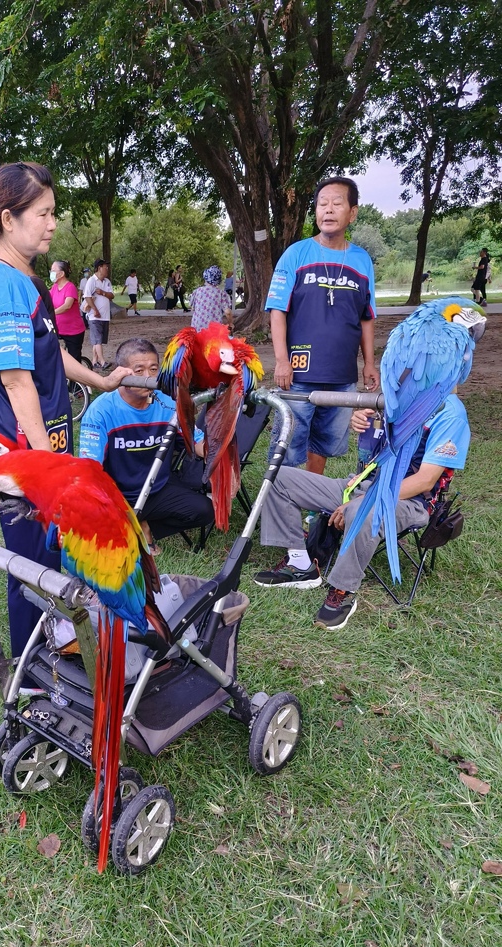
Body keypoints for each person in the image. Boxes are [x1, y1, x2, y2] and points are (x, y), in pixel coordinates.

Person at [0, 162, 129, 656]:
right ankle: (31, 674)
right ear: (9, 219)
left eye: (53, 212)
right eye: (44, 213)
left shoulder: (24, 280)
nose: (53, 223)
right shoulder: (3, 286)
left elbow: (50, 352)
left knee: (49, 561)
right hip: (23, 459)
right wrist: (47, 472)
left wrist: (100, 380)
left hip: (43, 449)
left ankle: (57, 649)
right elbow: (17, 381)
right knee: (30, 568)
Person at [253, 395, 471, 631]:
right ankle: (300, 564)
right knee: (279, 477)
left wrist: (365, 500)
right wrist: (364, 423)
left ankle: (342, 590)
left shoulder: (449, 412)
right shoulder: (398, 394)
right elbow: (375, 448)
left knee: (362, 511)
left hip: (408, 500)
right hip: (360, 485)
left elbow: (424, 481)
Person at [265, 176, 380, 474]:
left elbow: (366, 316)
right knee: (288, 445)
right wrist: (281, 361)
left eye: (337, 203)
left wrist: (369, 363)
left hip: (341, 376)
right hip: (298, 375)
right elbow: (277, 310)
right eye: (322, 204)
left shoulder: (362, 260)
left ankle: (311, 506)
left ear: (352, 213)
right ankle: (281, 506)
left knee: (324, 444)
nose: (327, 210)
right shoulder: (295, 254)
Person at [79, 338, 214, 553]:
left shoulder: (168, 403)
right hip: (117, 495)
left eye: (153, 369)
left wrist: (219, 446)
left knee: (205, 510)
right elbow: (89, 468)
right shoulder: (101, 410)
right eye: (139, 370)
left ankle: (145, 526)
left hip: (156, 489)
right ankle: (128, 523)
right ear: (120, 373)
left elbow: (197, 443)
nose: (148, 378)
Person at [82, 259, 114, 369]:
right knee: (97, 339)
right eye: (106, 267)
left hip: (105, 316)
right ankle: (102, 361)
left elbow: (112, 295)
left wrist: (103, 292)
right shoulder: (91, 281)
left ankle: (94, 361)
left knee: (98, 340)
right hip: (94, 316)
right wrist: (95, 310)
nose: (107, 269)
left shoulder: (107, 281)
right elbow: (87, 296)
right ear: (99, 267)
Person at [49, 260, 84, 362]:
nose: (51, 273)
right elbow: (46, 299)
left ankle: (77, 377)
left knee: (74, 360)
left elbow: (67, 306)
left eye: (53, 270)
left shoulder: (70, 287)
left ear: (62, 273)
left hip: (73, 331)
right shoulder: (54, 287)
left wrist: (51, 313)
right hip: (59, 329)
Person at [190, 266, 234, 333]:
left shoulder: (197, 291)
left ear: (206, 278)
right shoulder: (221, 293)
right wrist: (230, 323)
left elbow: (193, 308)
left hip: (196, 328)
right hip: (213, 330)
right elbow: (227, 312)